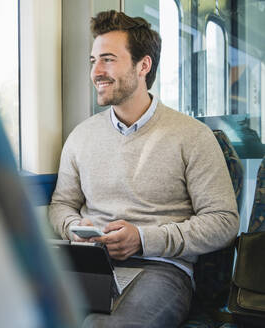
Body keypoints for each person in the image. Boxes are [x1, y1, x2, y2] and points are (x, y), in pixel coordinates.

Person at [48, 10, 239, 327]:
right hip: (90, 264)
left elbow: (224, 222)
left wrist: (144, 239)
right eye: (93, 61)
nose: (96, 71)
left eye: (108, 59)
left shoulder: (192, 136)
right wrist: (74, 229)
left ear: (143, 65)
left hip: (161, 268)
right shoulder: (80, 137)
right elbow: (61, 205)